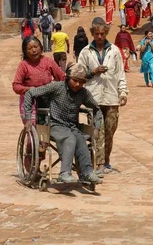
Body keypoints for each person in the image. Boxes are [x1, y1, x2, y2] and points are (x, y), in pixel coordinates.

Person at [22, 63, 103, 184]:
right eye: (75, 81)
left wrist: (96, 127)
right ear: (67, 78)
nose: (77, 84)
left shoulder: (84, 93)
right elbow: (30, 94)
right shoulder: (57, 87)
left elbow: (97, 110)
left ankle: (87, 173)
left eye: (81, 82)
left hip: (72, 126)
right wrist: (28, 118)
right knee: (70, 138)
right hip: (54, 124)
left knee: (80, 139)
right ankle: (65, 173)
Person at [78, 18, 128, 176]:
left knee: (110, 132)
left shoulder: (114, 51)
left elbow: (120, 74)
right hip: (93, 98)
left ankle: (106, 161)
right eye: (97, 34)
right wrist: (93, 72)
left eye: (102, 34)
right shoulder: (86, 52)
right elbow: (78, 74)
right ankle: (99, 164)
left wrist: (123, 92)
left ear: (106, 33)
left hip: (112, 97)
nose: (99, 37)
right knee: (98, 131)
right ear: (92, 34)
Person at [13, 36, 65, 125]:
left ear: (41, 48)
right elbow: (16, 86)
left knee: (48, 128)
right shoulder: (24, 65)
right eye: (30, 48)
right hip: (30, 101)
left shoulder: (48, 61)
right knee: (34, 130)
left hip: (47, 99)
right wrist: (29, 89)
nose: (34, 50)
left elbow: (62, 77)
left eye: (36, 47)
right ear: (25, 52)